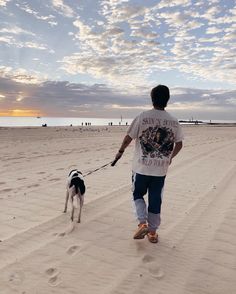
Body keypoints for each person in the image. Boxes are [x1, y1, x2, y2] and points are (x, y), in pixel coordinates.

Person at [113, 85, 183, 243]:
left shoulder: (143, 116)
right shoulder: (173, 120)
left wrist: (120, 152)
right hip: (160, 170)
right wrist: (170, 157)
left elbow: (128, 138)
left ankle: (142, 223)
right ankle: (152, 233)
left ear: (152, 99)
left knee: (137, 194)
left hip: (141, 167)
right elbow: (179, 144)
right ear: (167, 100)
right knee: (155, 199)